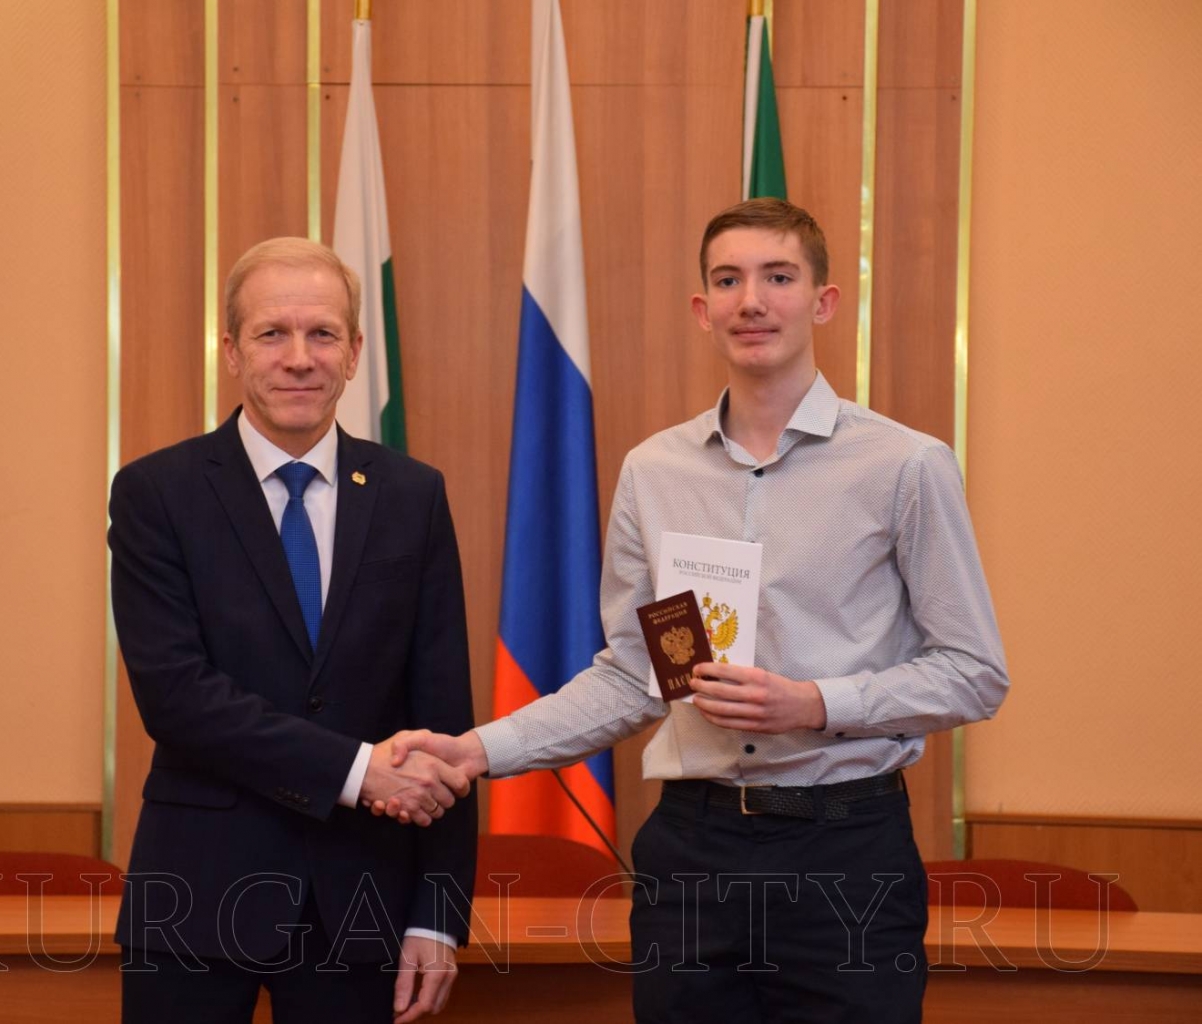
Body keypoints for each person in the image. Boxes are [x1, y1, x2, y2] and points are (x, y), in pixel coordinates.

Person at [383, 199, 1009, 1022]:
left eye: (778, 277)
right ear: (702, 308)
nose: (752, 301)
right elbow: (635, 677)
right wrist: (474, 751)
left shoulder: (905, 466)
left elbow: (973, 672)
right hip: (692, 855)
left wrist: (815, 703)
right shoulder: (655, 472)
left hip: (845, 852)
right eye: (728, 280)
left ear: (823, 301)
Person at [108, 237, 476, 1023]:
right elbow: (176, 697)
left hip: (363, 900)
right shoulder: (157, 493)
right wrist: (358, 770)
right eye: (273, 333)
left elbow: (443, 717)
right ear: (232, 351)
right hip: (198, 893)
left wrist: (437, 915)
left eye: (323, 334)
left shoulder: (413, 495)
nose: (300, 358)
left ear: (355, 353)